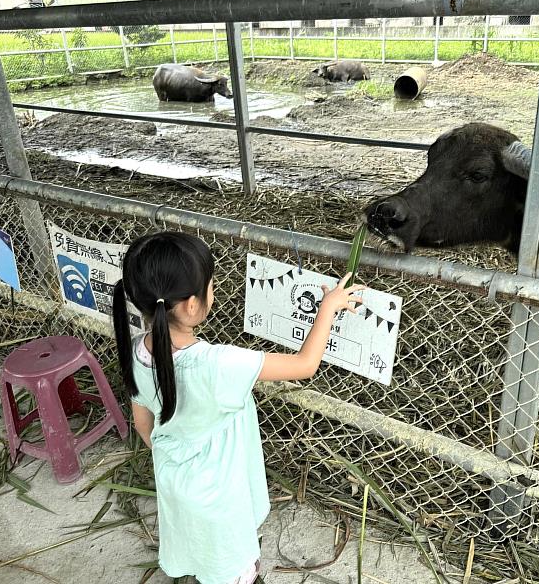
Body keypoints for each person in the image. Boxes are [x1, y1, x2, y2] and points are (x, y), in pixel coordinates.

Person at [111, 231, 364, 584]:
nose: (213, 290)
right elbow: (305, 364)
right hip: (221, 497)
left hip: (176, 482)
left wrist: (180, 456)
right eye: (210, 285)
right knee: (234, 568)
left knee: (197, 546)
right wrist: (327, 308)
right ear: (190, 305)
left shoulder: (136, 350)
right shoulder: (218, 364)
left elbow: (142, 424)